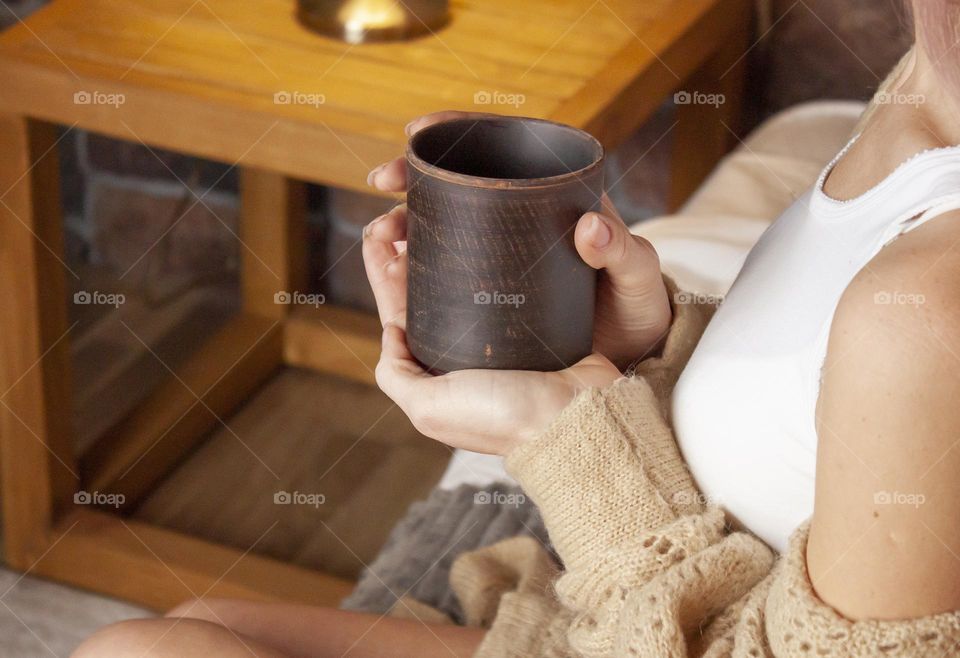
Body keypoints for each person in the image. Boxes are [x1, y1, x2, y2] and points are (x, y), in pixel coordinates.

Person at [74, 1, 960, 655]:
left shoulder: (930, 309)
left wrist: (569, 443)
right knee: (190, 630)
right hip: (626, 626)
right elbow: (807, 425)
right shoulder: (927, 76)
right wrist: (641, 348)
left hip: (669, 634)